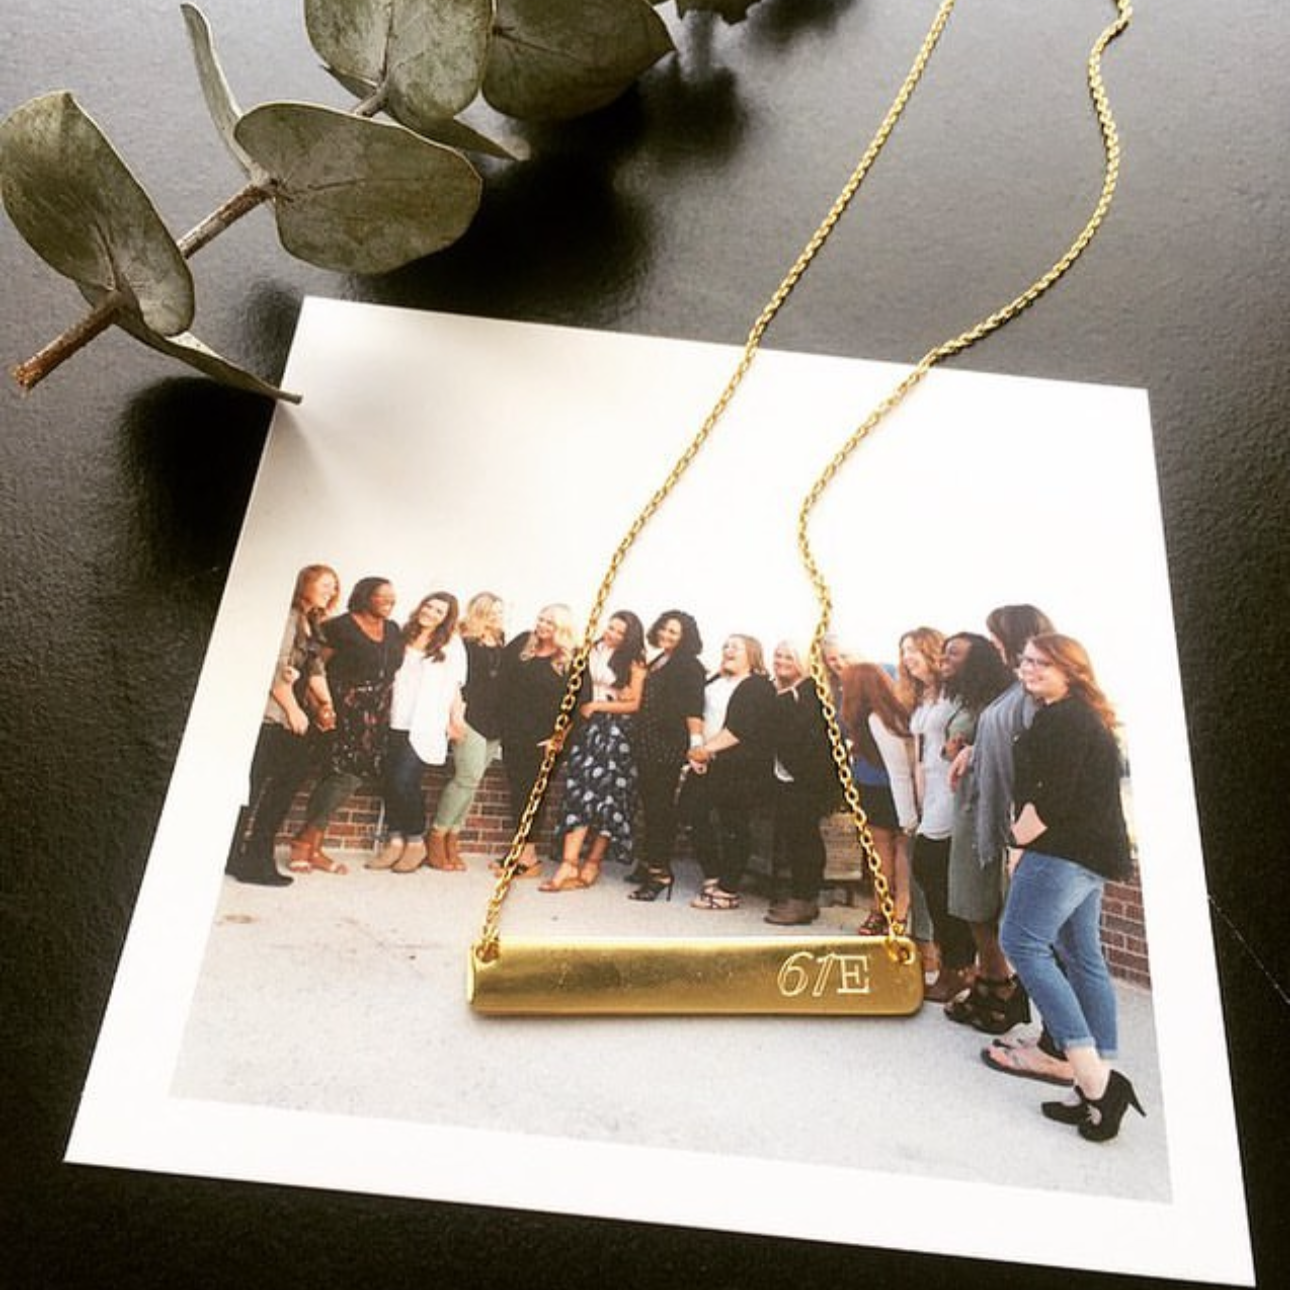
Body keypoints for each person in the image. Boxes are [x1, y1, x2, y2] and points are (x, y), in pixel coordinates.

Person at [1000, 633, 1142, 1140]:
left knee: (1021, 943)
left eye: (1042, 663)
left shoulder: (1064, 719)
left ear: (1071, 669)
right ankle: (1092, 1092)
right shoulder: (1079, 715)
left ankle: (1097, 1082)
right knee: (1083, 955)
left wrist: (1014, 842)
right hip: (1093, 854)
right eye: (1025, 662)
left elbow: (1050, 799)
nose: (1029, 670)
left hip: (1062, 852)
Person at [943, 604, 1055, 1037]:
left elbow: (1031, 752)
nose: (989, 646)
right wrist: (973, 751)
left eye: (995, 637)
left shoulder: (1029, 692)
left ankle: (1006, 993)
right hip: (978, 807)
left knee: (991, 906)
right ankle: (992, 983)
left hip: (1003, 816)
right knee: (973, 901)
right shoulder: (1010, 691)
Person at [225, 564, 339, 886]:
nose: (331, 591)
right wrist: (293, 710)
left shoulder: (311, 623)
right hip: (273, 717)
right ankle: (254, 861)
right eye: (325, 584)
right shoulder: (288, 618)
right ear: (304, 583)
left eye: (334, 587)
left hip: (290, 716)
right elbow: (274, 667)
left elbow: (315, 669)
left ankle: (241, 856)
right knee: (268, 788)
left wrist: (327, 706)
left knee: (269, 787)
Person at [287, 577, 402, 875]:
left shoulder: (392, 629)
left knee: (352, 776)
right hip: (340, 709)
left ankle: (312, 844)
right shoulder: (339, 627)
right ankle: (305, 844)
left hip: (374, 715)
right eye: (382, 596)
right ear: (365, 596)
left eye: (392, 597)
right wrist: (319, 707)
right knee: (337, 774)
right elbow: (316, 669)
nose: (390, 601)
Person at [544, 611, 647, 892]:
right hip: (589, 729)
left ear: (629, 638)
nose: (611, 634)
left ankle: (592, 862)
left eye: (619, 632)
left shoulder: (634, 662)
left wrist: (599, 706)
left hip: (616, 733)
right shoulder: (591, 650)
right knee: (580, 791)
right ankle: (568, 863)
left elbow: (634, 704)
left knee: (608, 797)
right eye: (610, 627)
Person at [900, 627, 975, 998]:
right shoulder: (921, 696)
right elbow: (919, 752)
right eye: (903, 651)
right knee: (932, 875)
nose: (908, 657)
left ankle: (957, 965)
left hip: (952, 788)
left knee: (932, 869)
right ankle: (956, 963)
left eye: (914, 649)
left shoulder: (956, 693)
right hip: (930, 791)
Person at [372, 592, 466, 874]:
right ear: (420, 606)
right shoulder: (402, 634)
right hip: (394, 717)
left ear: (446, 619)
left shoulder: (451, 644)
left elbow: (455, 687)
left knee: (405, 781)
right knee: (390, 781)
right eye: (429, 606)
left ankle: (415, 842)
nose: (431, 613)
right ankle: (395, 841)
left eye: (440, 611)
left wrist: (456, 720)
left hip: (426, 722)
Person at [683, 634, 777, 911]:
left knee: (733, 824)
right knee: (689, 811)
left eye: (736, 647)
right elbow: (695, 712)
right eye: (725, 645)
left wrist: (706, 752)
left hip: (739, 766)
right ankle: (713, 875)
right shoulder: (713, 681)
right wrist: (697, 748)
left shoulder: (757, 686)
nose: (728, 650)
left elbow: (740, 728)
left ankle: (728, 889)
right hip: (707, 758)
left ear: (752, 654)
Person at [626, 610, 707, 902]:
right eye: (664, 629)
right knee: (651, 806)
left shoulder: (690, 666)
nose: (666, 635)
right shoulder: (660, 658)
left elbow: (693, 708)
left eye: (674, 632)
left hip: (667, 746)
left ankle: (660, 873)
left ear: (686, 637)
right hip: (648, 743)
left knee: (660, 810)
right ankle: (648, 862)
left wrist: (696, 745)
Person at [494, 603, 579, 879]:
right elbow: (502, 682)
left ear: (561, 629)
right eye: (541, 619)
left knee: (534, 795)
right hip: (515, 734)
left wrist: (558, 738)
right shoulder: (522, 643)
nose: (542, 625)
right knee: (518, 792)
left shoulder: (571, 659)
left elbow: (580, 705)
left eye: (550, 623)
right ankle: (518, 850)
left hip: (545, 740)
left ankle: (528, 857)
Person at [425, 592, 506, 870]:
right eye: (493, 611)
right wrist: (453, 718)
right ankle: (436, 835)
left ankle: (453, 837)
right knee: (466, 777)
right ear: (479, 611)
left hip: (496, 721)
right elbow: (453, 682)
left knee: (474, 781)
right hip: (469, 717)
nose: (498, 615)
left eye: (500, 611)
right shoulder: (462, 640)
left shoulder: (502, 639)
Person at [839, 662, 916, 935]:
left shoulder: (876, 720)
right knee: (892, 851)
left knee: (888, 850)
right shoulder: (888, 716)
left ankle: (890, 908)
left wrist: (909, 815)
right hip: (881, 788)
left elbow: (897, 768)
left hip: (885, 790)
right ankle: (893, 907)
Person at [765, 641, 838, 925]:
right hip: (785, 777)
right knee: (795, 838)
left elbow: (806, 741)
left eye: (789, 657)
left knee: (804, 839)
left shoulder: (808, 693)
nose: (782, 661)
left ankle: (805, 899)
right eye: (778, 655)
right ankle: (800, 896)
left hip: (805, 780)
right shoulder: (781, 691)